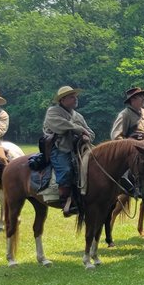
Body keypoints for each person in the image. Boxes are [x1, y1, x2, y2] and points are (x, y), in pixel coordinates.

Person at [42, 86, 94, 217]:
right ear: (63, 100)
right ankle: (65, 201)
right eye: (72, 97)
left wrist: (87, 136)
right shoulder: (53, 112)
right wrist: (79, 129)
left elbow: (90, 132)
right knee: (65, 170)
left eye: (75, 96)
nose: (75, 99)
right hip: (60, 148)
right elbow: (61, 126)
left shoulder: (78, 116)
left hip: (79, 149)